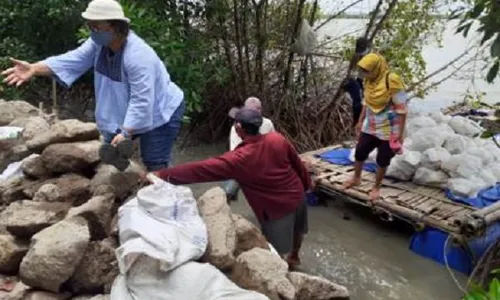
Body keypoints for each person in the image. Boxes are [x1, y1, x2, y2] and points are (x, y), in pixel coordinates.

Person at [1, 0, 185, 171]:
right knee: (110, 155)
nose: (92, 30)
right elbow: (73, 60)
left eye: (96, 26)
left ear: (115, 26)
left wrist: (126, 133)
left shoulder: (139, 56)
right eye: (90, 26)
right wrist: (34, 68)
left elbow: (142, 100)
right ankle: (128, 186)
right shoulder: (99, 44)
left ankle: (167, 198)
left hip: (160, 110)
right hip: (126, 108)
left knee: (155, 160)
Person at [150, 108, 311, 269]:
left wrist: (162, 175)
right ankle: (295, 257)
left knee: (276, 251)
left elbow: (199, 170)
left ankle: (284, 272)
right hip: (298, 195)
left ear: (239, 128)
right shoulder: (277, 139)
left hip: (276, 208)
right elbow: (297, 163)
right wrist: (307, 185)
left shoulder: (239, 159)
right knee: (299, 230)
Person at [342, 53, 408, 201]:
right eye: (363, 70)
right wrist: (360, 121)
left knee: (382, 159)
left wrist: (400, 134)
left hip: (389, 128)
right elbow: (367, 102)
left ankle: (376, 187)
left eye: (367, 70)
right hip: (370, 126)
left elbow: (402, 110)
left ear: (376, 68)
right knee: (360, 152)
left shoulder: (393, 81)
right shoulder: (368, 80)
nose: (364, 74)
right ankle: (356, 178)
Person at [224, 96, 275, 201]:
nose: (255, 112)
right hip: (243, 164)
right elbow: (236, 153)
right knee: (228, 192)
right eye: (251, 110)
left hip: (263, 164)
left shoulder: (268, 123)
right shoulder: (237, 127)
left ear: (261, 110)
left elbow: (273, 145)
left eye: (258, 109)